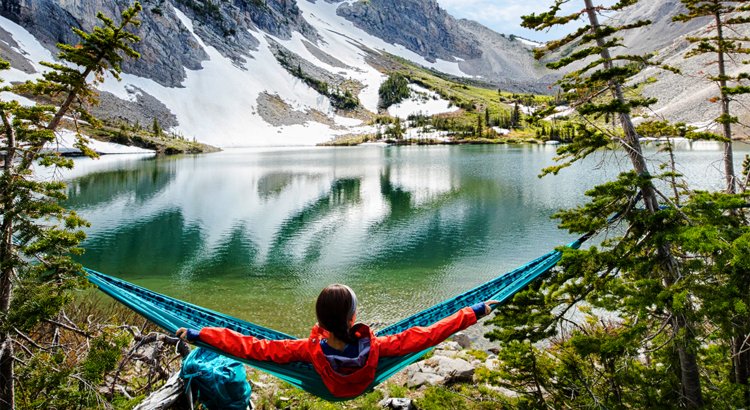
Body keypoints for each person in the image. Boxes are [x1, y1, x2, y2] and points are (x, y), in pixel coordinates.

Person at [176, 284, 498, 398]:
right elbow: (431, 333)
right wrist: (474, 311)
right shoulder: (380, 346)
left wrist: (200, 334)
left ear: (320, 320)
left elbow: (252, 347)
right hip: (364, 382)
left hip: (329, 385)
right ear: (353, 316)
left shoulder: (307, 350)